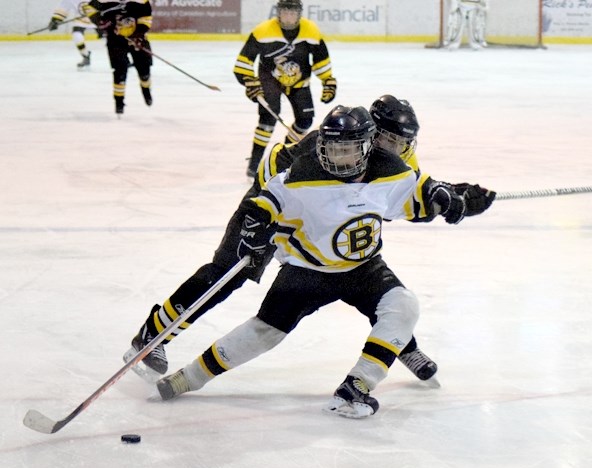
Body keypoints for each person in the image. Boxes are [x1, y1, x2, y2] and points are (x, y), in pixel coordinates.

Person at [122, 94, 495, 388]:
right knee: (227, 275)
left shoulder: (389, 153)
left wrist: (456, 196)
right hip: (269, 207)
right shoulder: (326, 147)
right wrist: (263, 228)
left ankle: (403, 346)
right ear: (375, 134)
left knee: (359, 270)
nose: (399, 147)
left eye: (404, 142)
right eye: (392, 139)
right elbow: (283, 188)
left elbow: (403, 193)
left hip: (324, 219)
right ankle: (150, 336)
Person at [234, 0, 337, 179]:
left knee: (305, 120)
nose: (288, 16)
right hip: (269, 81)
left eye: (293, 12)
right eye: (285, 11)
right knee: (267, 120)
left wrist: (328, 81)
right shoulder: (263, 31)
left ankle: (285, 156)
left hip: (299, 82)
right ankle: (254, 163)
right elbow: (243, 62)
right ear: (278, 13)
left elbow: (321, 60)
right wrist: (249, 81)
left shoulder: (311, 31)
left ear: (299, 13)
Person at [83, 0, 153, 115]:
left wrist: (139, 34)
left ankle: (146, 90)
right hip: (115, 40)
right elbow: (89, 8)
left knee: (144, 70)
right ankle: (119, 102)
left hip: (137, 38)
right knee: (120, 70)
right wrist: (99, 20)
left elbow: (146, 18)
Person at [47, 0, 96, 69]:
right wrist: (55, 20)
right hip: (81, 19)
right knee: (77, 36)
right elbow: (63, 7)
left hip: (101, 18)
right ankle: (85, 55)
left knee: (112, 38)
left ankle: (116, 57)